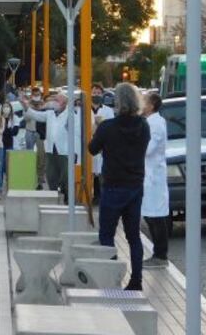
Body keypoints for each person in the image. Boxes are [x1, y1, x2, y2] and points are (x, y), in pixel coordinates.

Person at [88, 82, 150, 291]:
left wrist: (97, 129)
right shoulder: (144, 126)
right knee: (133, 236)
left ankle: (112, 277)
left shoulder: (107, 127)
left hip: (113, 185)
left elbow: (92, 149)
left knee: (107, 234)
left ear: (117, 101)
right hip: (135, 186)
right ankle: (136, 280)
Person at [23, 93, 73, 201]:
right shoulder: (50, 113)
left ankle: (67, 196)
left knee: (65, 175)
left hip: (64, 150)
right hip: (51, 149)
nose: (54, 102)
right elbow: (35, 115)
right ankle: (54, 196)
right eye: (54, 100)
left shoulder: (71, 114)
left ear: (64, 103)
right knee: (51, 174)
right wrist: (25, 105)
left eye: (57, 100)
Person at [141, 93, 170, 268]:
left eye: (144, 101)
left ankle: (160, 255)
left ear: (151, 105)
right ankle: (158, 253)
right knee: (150, 215)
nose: (141, 104)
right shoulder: (150, 122)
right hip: (149, 175)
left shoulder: (156, 124)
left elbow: (148, 149)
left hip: (153, 177)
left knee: (156, 217)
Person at [89, 83, 115, 201]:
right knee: (91, 170)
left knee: (101, 171)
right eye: (94, 93)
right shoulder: (84, 109)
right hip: (90, 142)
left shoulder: (108, 110)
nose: (96, 95)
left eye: (99, 93)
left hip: (103, 144)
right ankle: (91, 195)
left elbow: (112, 127)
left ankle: (100, 196)